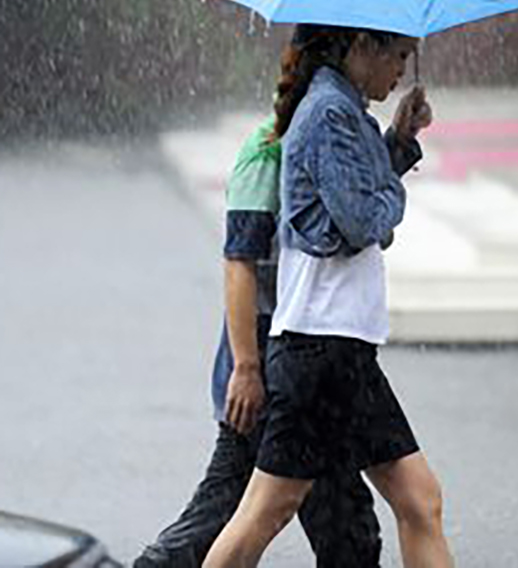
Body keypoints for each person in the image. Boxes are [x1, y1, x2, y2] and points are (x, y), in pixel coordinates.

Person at [202, 23, 454, 568]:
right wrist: (393, 196)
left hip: (342, 348)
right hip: (318, 348)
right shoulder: (328, 113)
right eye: (398, 56)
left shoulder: (342, 110)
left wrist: (399, 139)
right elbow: (362, 219)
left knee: (420, 500)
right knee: (266, 511)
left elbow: (351, 195)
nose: (400, 72)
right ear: (362, 45)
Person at [133, 111, 388, 567]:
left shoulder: (323, 135)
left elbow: (357, 219)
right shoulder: (268, 150)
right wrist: (246, 368)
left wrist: (398, 146)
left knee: (343, 528)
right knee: (229, 514)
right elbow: (239, 262)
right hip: (271, 355)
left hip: (310, 356)